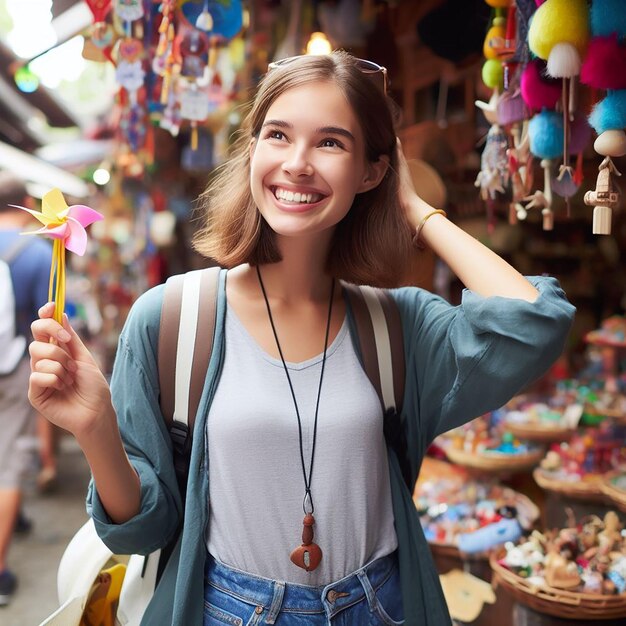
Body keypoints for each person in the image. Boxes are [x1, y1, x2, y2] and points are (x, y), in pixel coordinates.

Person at [28, 51, 575, 626]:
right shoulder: (174, 319)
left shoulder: (396, 326)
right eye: (278, 135)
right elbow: (145, 528)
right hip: (227, 610)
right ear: (253, 150)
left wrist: (414, 207)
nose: (297, 163)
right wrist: (94, 428)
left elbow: (532, 324)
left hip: (379, 606)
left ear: (372, 170)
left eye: (331, 143)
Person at [0, 172, 53, 606]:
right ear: (27, 203)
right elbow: (46, 325)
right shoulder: (39, 254)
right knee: (9, 462)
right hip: (14, 367)